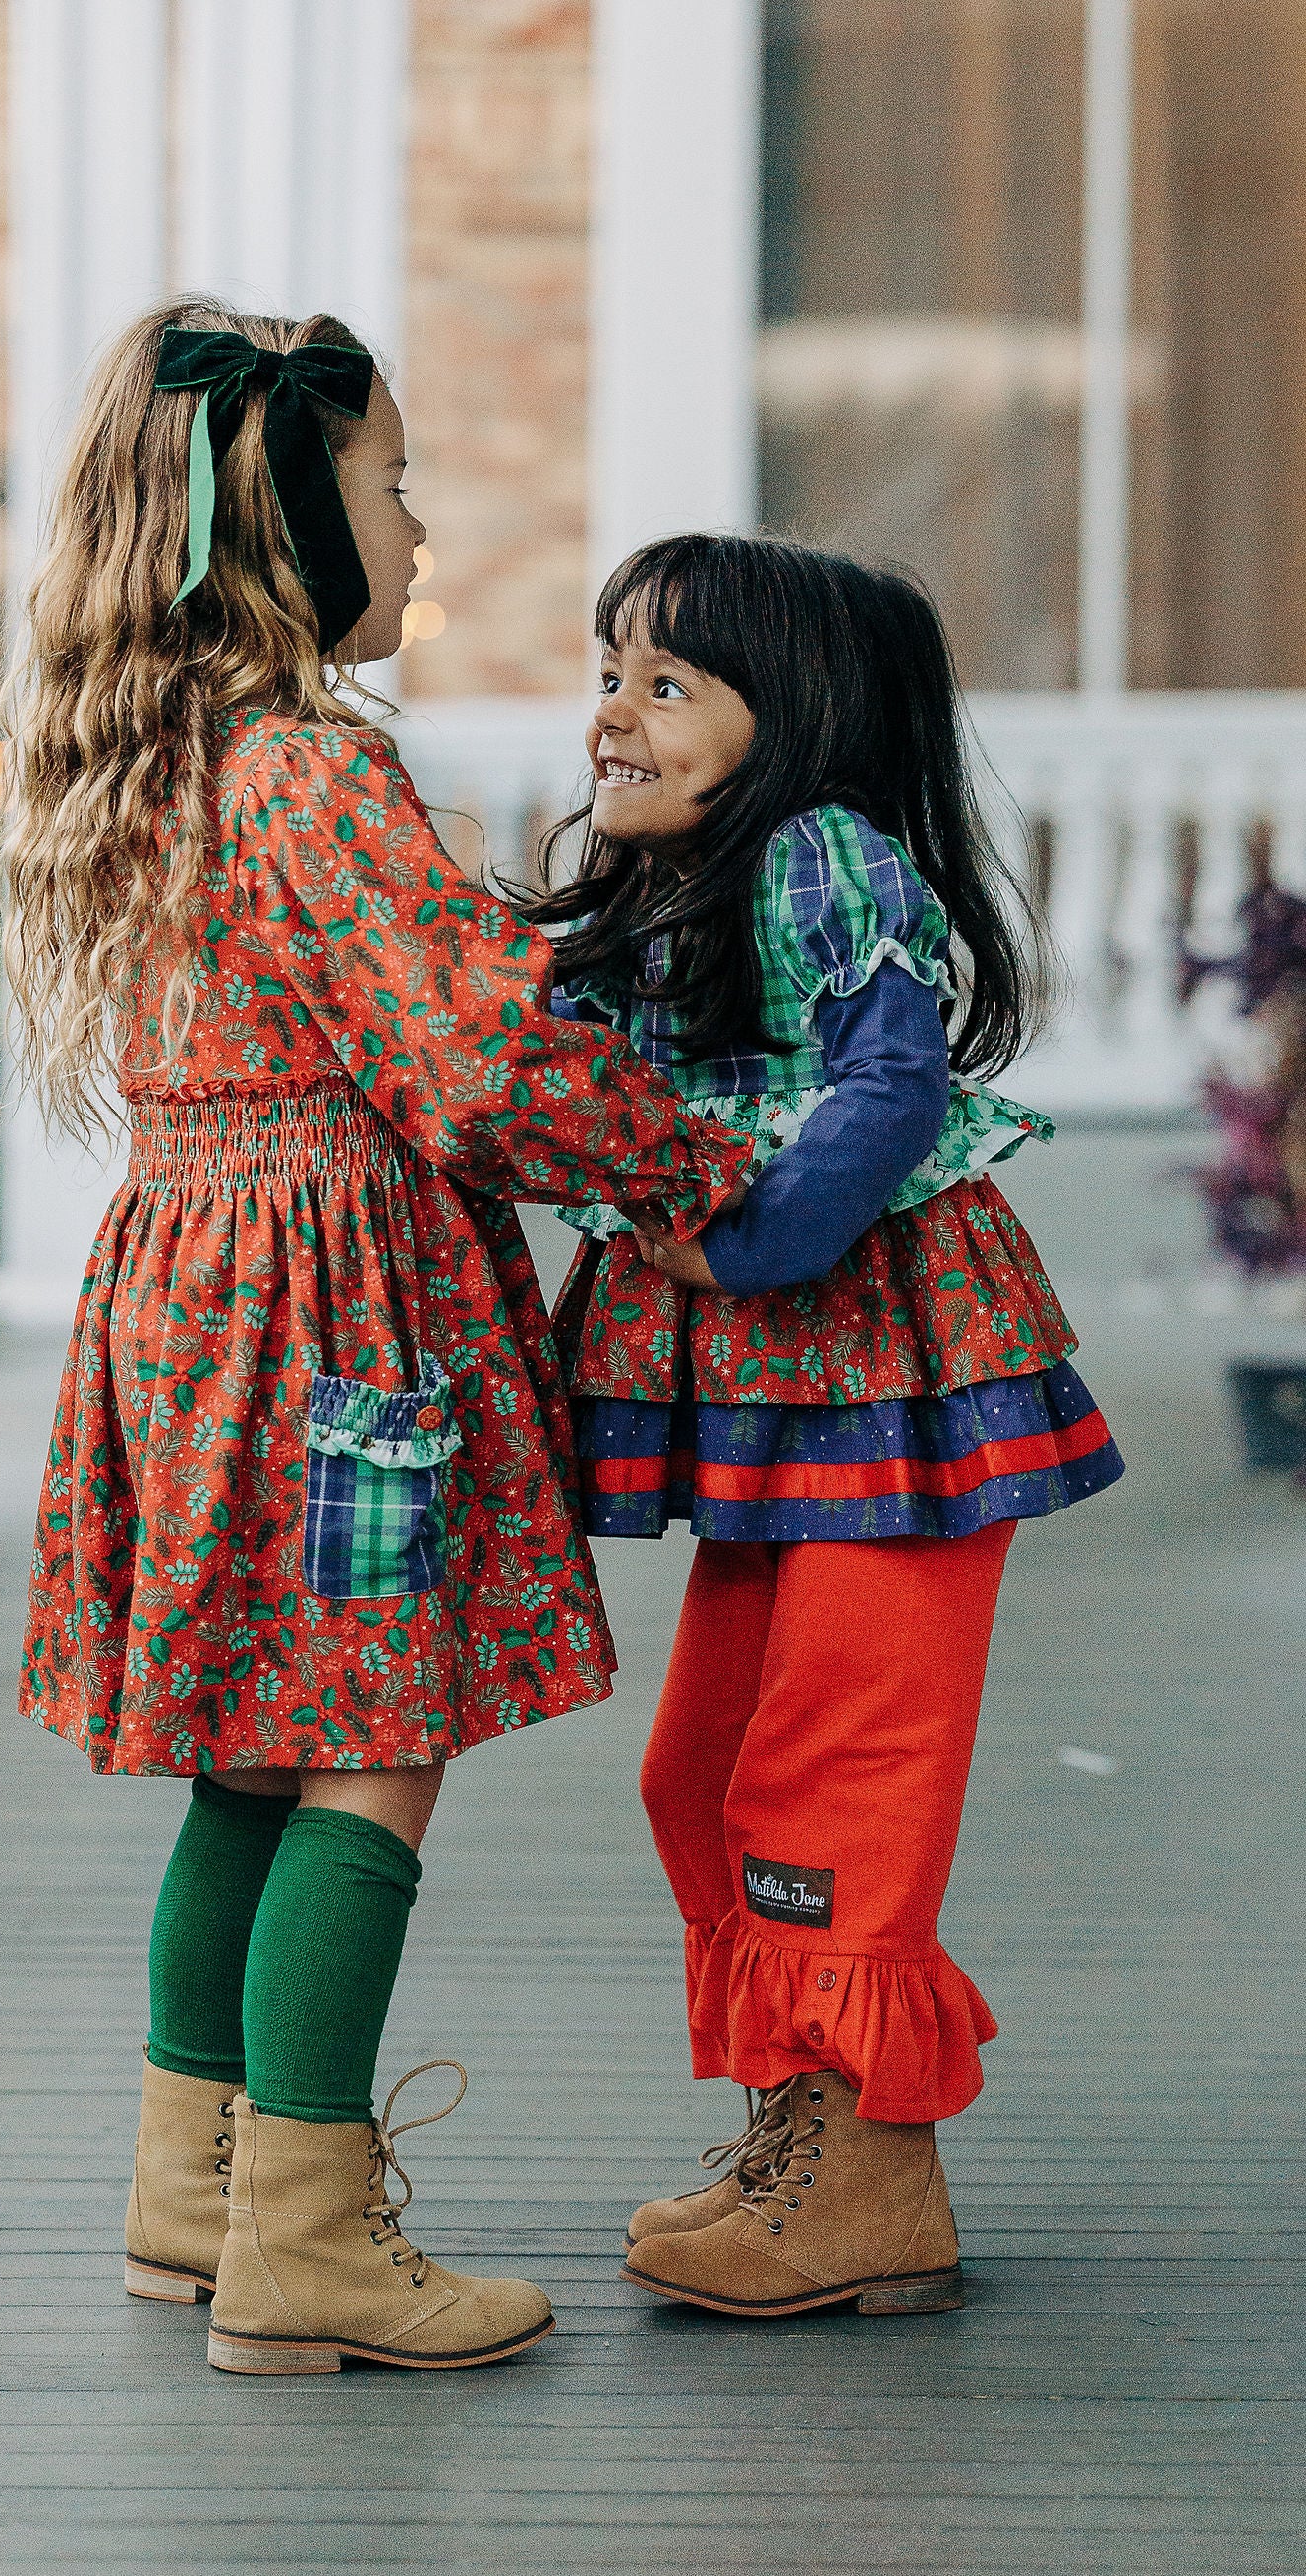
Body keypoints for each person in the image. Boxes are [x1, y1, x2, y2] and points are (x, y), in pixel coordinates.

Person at [0, 303, 754, 2375]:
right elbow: (471, 1058)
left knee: (252, 1751)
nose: (418, 530)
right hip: (342, 1345)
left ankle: (192, 2187)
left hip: (188, 1302)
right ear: (281, 520)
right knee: (369, 1747)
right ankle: (308, 2243)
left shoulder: (146, 757)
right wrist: (681, 1171)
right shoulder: (313, 767)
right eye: (391, 485)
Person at [535, 532, 1125, 2319]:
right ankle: (804, 2114)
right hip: (793, 1412)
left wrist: (768, 1236)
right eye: (610, 672)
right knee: (704, 1760)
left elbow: (893, 1078)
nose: (610, 715)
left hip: (892, 1374)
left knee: (832, 1768)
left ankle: (870, 2170)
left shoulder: (817, 859)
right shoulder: (679, 882)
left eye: (664, 684)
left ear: (786, 722)